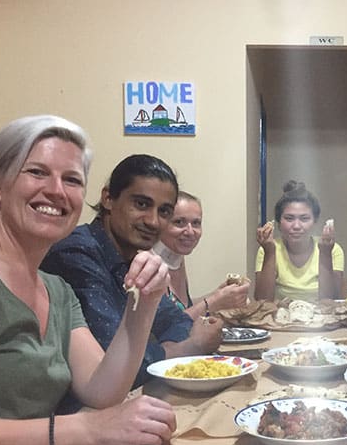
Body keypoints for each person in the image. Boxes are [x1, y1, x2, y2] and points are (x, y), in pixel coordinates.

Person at [0, 116, 176, 445]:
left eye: (72, 180)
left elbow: (103, 390)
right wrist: (86, 429)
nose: (56, 191)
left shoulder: (55, 288)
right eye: (37, 172)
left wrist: (145, 303)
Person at [41, 155, 223, 388]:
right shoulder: (76, 253)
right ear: (108, 198)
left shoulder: (133, 256)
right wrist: (187, 348)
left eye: (165, 211)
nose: (154, 222)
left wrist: (171, 348)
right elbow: (114, 366)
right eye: (141, 204)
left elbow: (176, 321)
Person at [152, 191, 250, 320]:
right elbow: (165, 327)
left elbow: (181, 309)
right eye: (179, 222)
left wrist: (218, 295)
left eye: (196, 223)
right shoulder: (149, 265)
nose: (190, 231)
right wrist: (214, 302)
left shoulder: (177, 258)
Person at [254, 180, 344, 302]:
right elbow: (262, 301)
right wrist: (269, 252)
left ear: (315, 221)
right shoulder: (268, 248)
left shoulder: (332, 249)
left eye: (304, 218)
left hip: (320, 319)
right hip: (280, 318)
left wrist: (325, 253)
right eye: (289, 218)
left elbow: (331, 300)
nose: (296, 226)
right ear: (279, 223)